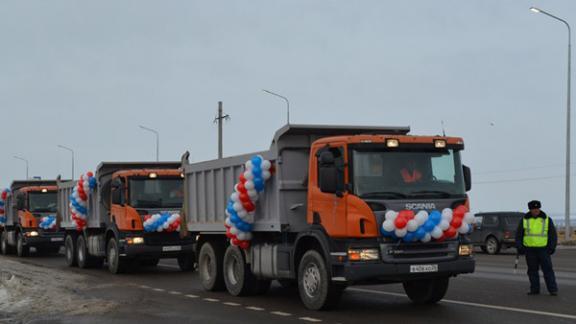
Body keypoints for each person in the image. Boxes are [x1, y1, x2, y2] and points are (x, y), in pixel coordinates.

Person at [515, 200, 558, 296]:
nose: (536, 210)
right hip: (530, 250)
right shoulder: (524, 220)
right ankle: (534, 289)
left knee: (548, 270)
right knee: (532, 271)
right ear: (530, 210)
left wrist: (551, 247)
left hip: (543, 250)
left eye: (537, 208)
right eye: (534, 209)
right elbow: (519, 235)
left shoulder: (547, 219)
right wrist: (520, 246)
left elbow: (552, 235)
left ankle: (553, 289)